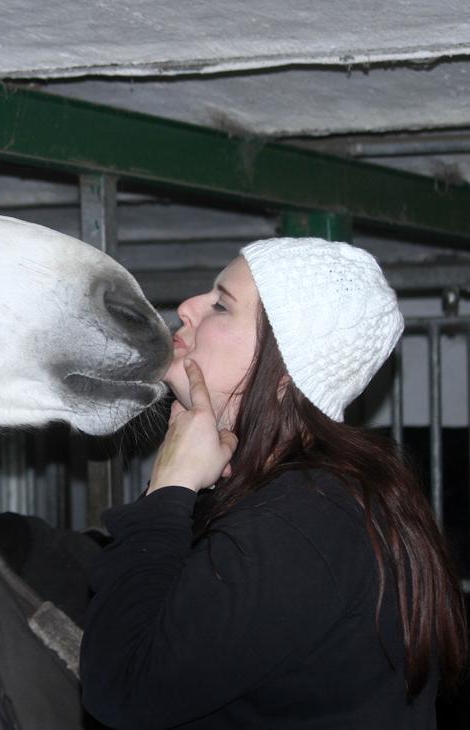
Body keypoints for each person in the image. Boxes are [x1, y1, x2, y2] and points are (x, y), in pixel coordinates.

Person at [78, 237, 467, 728]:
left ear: (285, 372)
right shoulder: (290, 496)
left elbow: (121, 688)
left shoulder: (305, 518)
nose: (188, 307)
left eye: (222, 304)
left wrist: (169, 488)